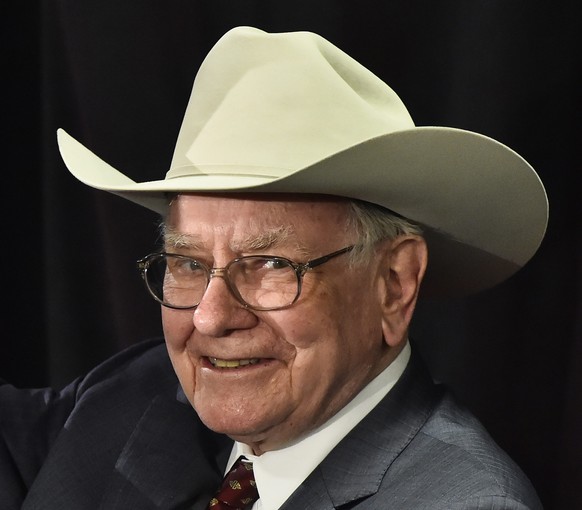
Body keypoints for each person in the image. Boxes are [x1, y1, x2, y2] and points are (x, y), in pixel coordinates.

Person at [1, 26, 547, 509]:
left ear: (394, 285)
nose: (211, 319)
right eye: (189, 262)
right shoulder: (139, 391)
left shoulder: (465, 502)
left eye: (268, 264)